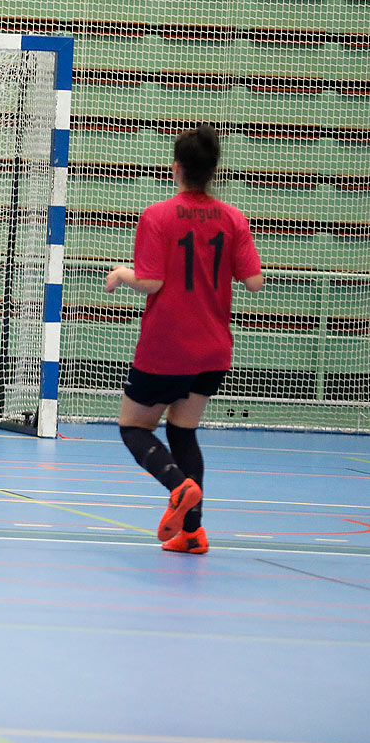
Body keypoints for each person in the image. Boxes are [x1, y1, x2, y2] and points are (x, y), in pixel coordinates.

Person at [105, 124, 264, 554]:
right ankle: (192, 535)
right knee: (183, 431)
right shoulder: (234, 218)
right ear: (215, 170)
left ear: (175, 168)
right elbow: (253, 281)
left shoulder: (157, 215)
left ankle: (178, 487)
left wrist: (122, 274)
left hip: (166, 345)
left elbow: (152, 282)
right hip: (212, 348)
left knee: (133, 427)